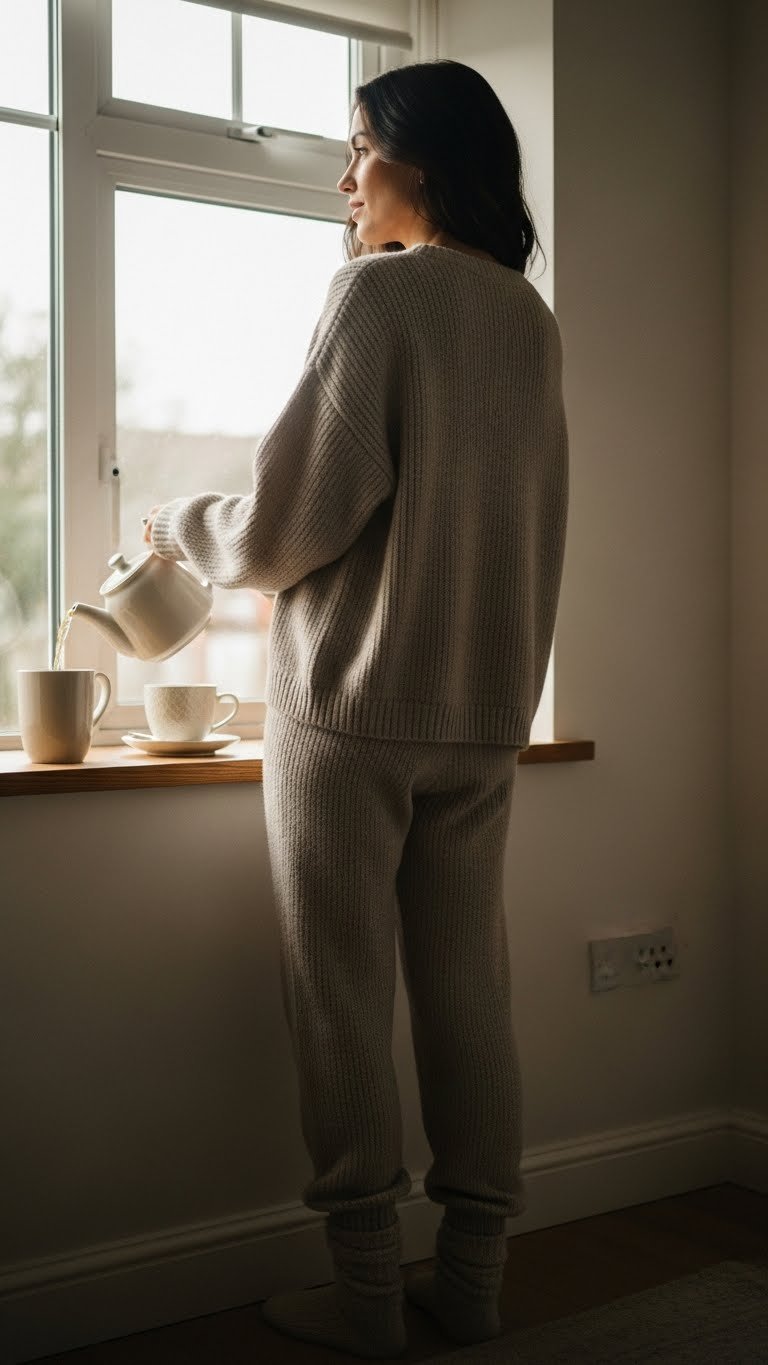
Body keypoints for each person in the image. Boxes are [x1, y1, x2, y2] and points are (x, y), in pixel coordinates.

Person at [144, 58, 568, 1362]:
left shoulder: (377, 295)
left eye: (358, 148)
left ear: (418, 162)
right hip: (485, 707)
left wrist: (179, 522)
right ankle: (476, 1284)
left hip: (352, 708)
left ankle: (371, 1298)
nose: (344, 178)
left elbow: (286, 527)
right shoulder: (527, 317)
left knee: (339, 1000)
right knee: (468, 993)